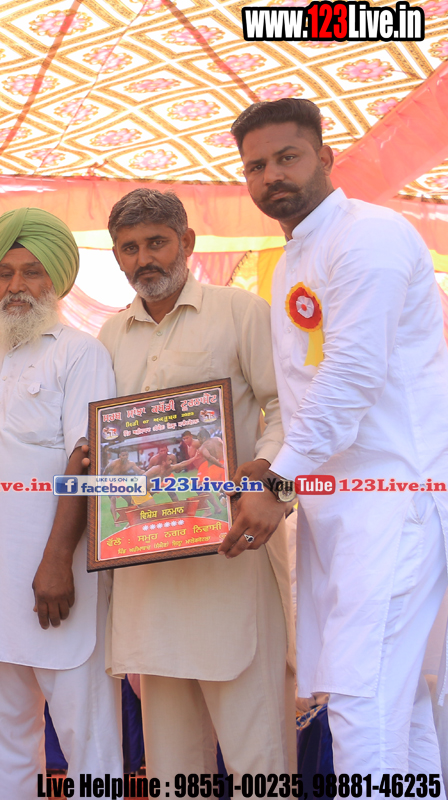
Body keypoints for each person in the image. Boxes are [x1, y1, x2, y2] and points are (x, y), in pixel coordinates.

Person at [233, 97, 448, 773]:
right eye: (256, 166)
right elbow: (306, 391)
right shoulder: (294, 257)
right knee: (397, 701)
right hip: (341, 507)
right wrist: (274, 465)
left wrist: (278, 484)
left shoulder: (369, 237)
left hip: (391, 500)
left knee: (363, 698)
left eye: (287, 157)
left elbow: (350, 375)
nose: (272, 175)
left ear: (325, 157)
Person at [97, 188, 294, 776]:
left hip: (230, 559)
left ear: (186, 242)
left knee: (260, 763)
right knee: (173, 772)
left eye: (156, 242)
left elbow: (290, 412)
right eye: (129, 248)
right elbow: (108, 443)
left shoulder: (240, 312)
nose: (143, 259)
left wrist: (271, 486)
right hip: (147, 575)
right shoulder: (109, 336)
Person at [0, 208, 123, 795]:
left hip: (58, 585)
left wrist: (56, 562)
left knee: (90, 749)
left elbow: (86, 461)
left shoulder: (81, 354)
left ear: (58, 281)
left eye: (32, 272)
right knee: (3, 758)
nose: (16, 285)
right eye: (6, 273)